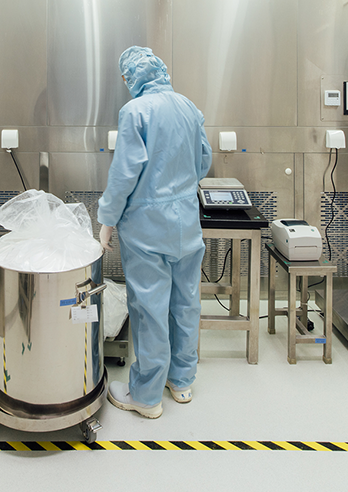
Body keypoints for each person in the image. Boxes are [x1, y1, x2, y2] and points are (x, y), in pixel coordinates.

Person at [97, 46, 212, 418]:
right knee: (185, 303)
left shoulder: (135, 111)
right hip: (186, 223)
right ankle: (181, 380)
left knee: (150, 308)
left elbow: (124, 174)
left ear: (131, 77)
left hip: (147, 228)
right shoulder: (188, 107)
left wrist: (107, 219)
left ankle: (146, 396)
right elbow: (204, 160)